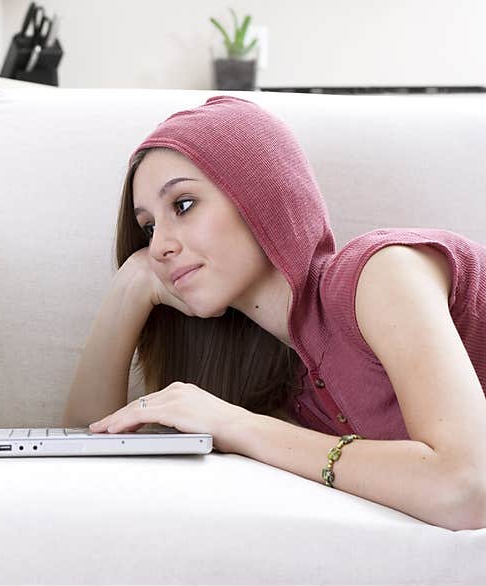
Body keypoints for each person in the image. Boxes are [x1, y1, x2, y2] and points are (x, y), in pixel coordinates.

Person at [62, 95, 486, 531]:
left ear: (260, 195)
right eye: (148, 227)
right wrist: (130, 287)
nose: (159, 246)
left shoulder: (381, 275)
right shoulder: (288, 384)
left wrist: (241, 427)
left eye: (184, 205)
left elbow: (466, 489)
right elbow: (83, 440)